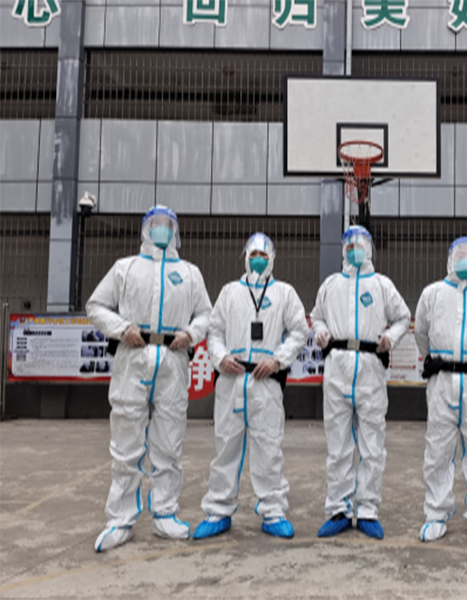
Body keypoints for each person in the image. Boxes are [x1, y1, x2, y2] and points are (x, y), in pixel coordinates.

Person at [87, 205, 212, 552]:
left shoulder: (189, 273)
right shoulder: (125, 268)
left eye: (168, 225)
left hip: (173, 358)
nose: (162, 229)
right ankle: (120, 519)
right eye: (155, 224)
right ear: (145, 229)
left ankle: (165, 513)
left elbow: (206, 314)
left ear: (175, 231)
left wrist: (191, 333)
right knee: (126, 442)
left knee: (169, 442)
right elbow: (96, 306)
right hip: (133, 355)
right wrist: (121, 328)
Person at [193, 233, 309, 540]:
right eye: (253, 254)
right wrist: (220, 357)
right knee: (225, 447)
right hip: (231, 380)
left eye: (264, 255)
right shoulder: (230, 292)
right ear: (246, 257)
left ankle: (273, 511)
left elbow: (300, 331)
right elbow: (214, 330)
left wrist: (278, 360)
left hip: (265, 382)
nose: (258, 259)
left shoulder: (284, 293)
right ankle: (218, 510)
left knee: (268, 448)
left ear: (272, 259)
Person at [311, 225, 411, 540]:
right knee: (338, 444)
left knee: (372, 444)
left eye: (360, 244)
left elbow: (403, 317)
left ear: (369, 248)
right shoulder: (331, 285)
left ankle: (368, 509)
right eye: (350, 245)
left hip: (370, 368)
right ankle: (338, 509)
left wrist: (390, 338)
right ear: (343, 250)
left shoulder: (382, 285)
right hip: (337, 367)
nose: (355, 249)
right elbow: (316, 316)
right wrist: (320, 331)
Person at [414, 237, 467, 543]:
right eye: (459, 254)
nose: (465, 259)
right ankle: (436, 513)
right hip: (442, 380)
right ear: (450, 259)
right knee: (438, 447)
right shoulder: (433, 294)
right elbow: (421, 333)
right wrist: (438, 358)